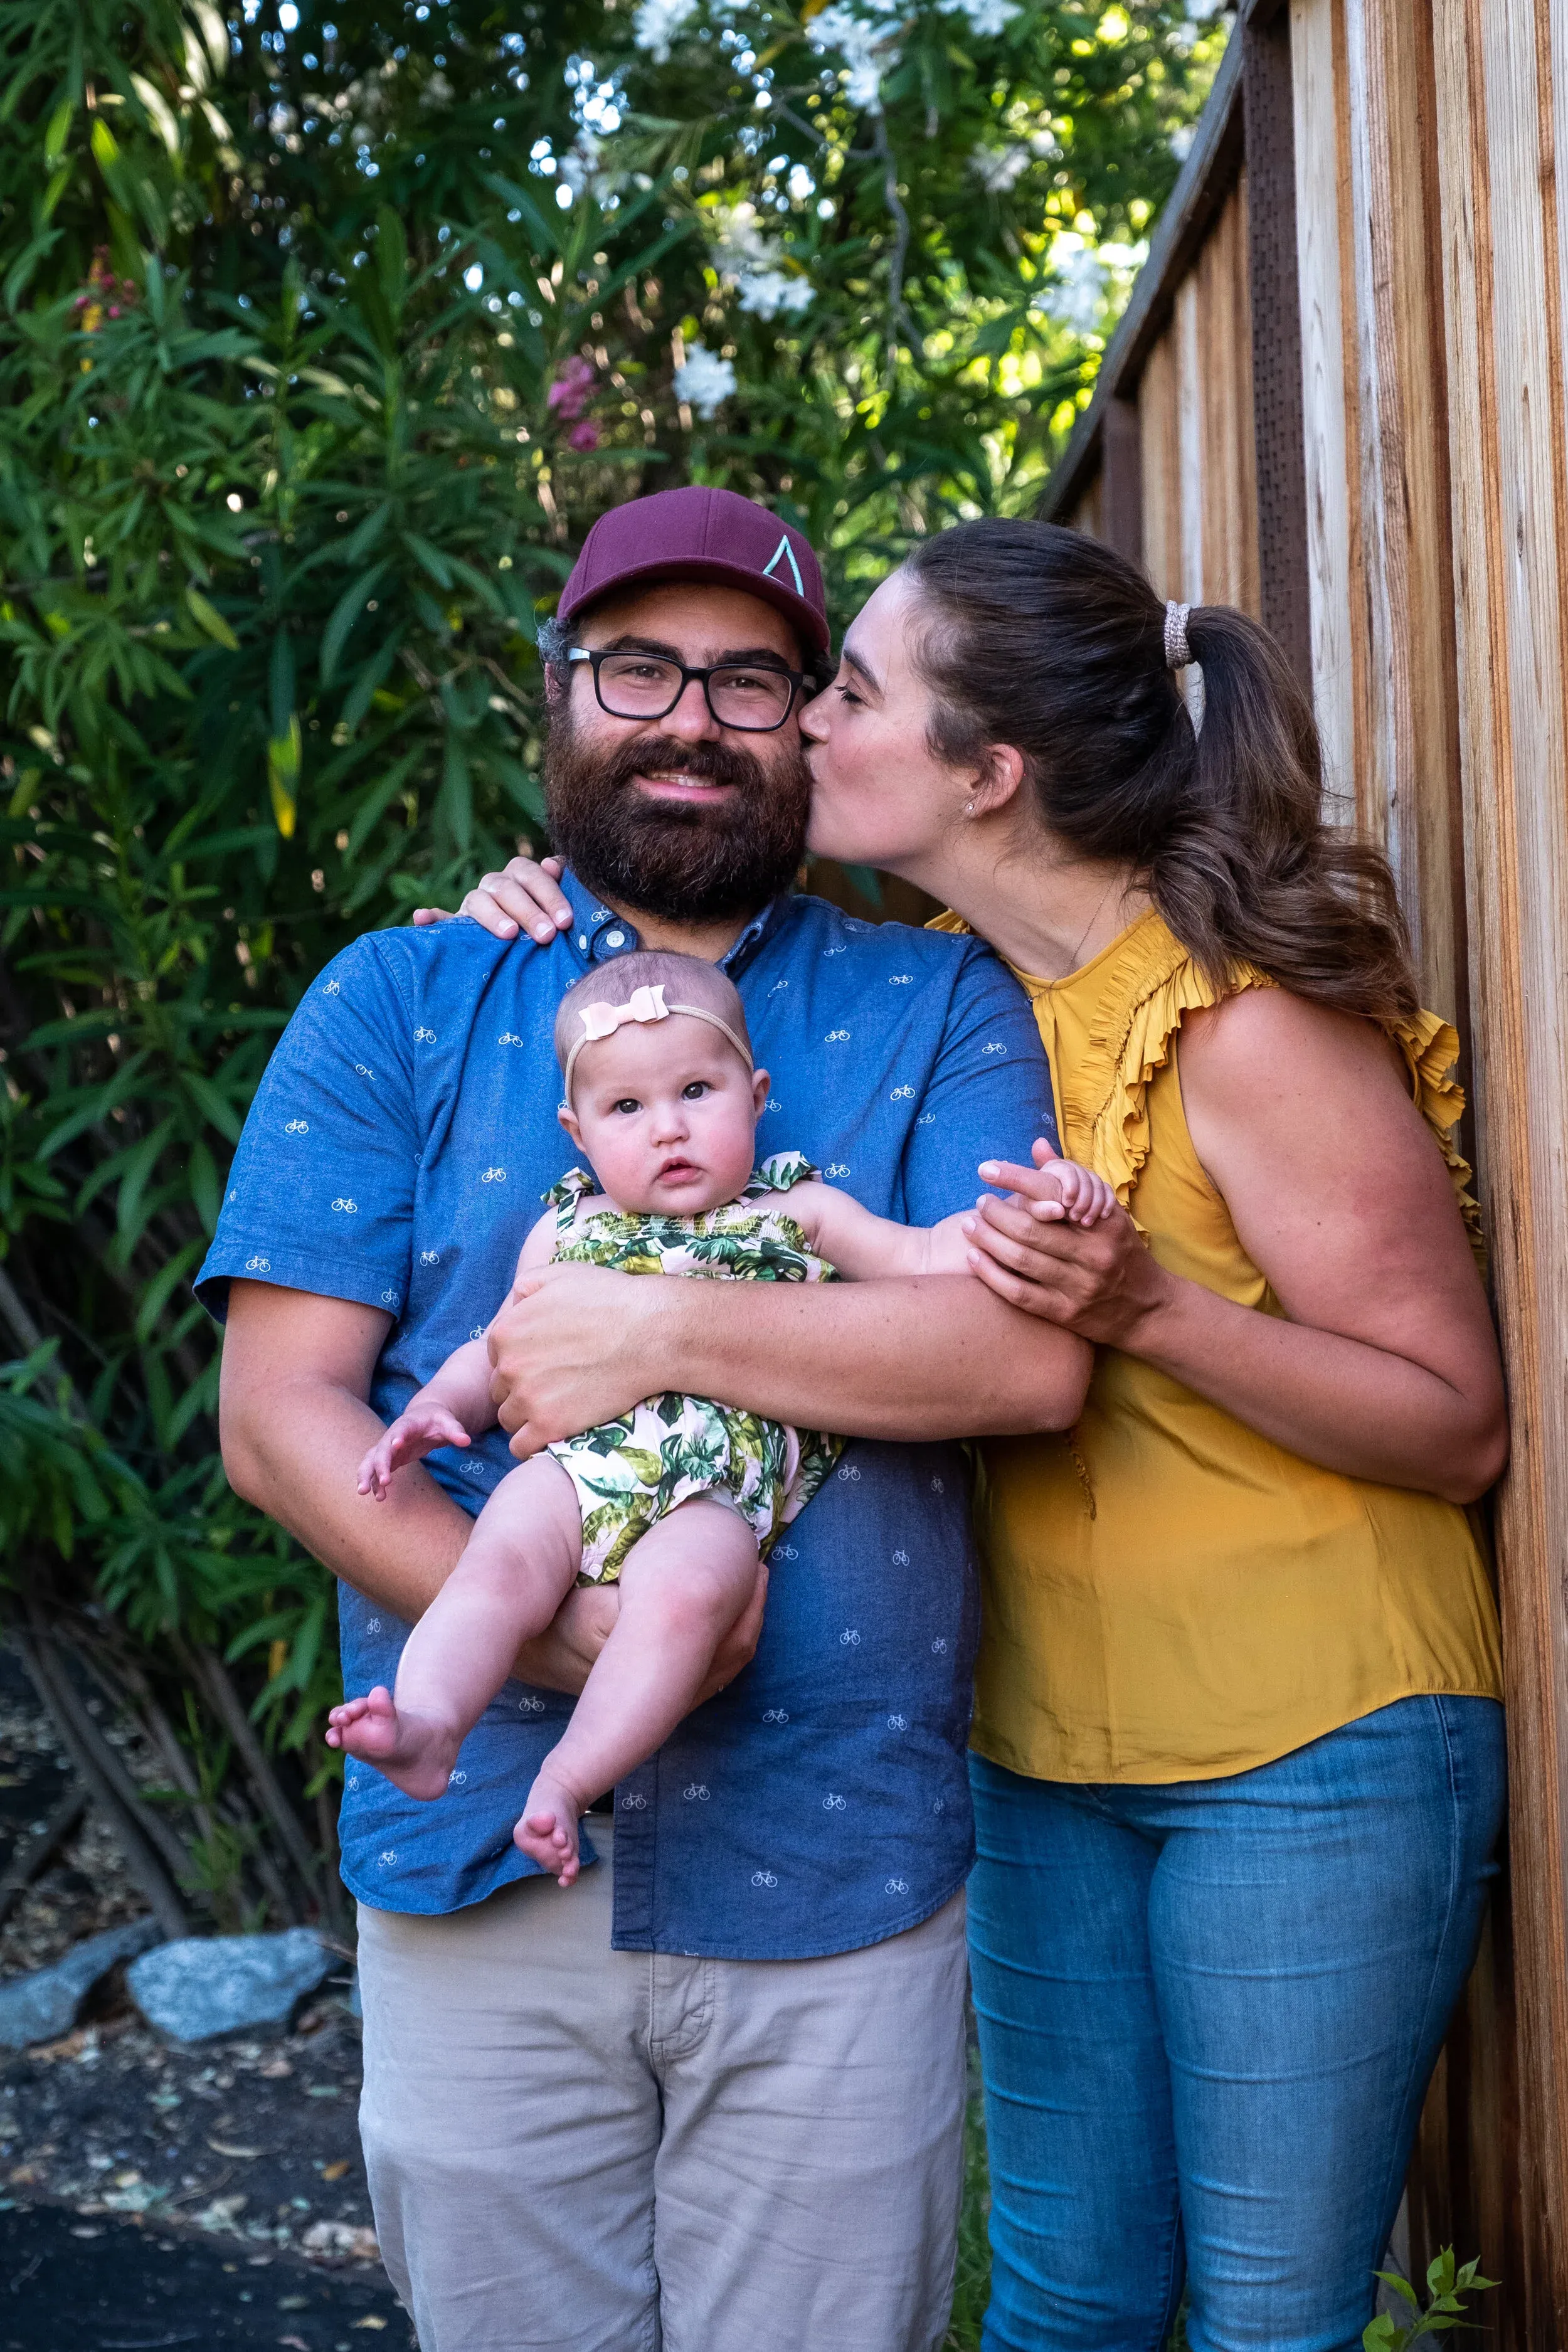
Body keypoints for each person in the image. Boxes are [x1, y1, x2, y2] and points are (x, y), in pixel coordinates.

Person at [457, 517, 1508, 2352]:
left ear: (985, 768)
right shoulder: (945, 1006)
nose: (805, 726)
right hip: (1036, 1746)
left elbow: (1455, 1421)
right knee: (1056, 2304)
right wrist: (520, 914)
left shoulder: (1239, 1022)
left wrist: (1151, 1313)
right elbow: (670, 1039)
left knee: (1269, 2319)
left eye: (847, 692)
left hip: (1310, 1736)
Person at [203, 485, 1094, 2352]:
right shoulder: (406, 994)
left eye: (750, 680)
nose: (687, 714)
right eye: (636, 666)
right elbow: (282, 1415)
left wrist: (653, 1324)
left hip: (836, 1863)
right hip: (474, 1891)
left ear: (812, 725)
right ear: (559, 693)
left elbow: (1014, 1360)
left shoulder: (930, 997)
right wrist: (565, 1625)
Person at [329, 946, 1115, 1885]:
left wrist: (1052, 1209)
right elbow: (497, 1346)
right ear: (577, 1134)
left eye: (697, 1090)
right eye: (628, 1108)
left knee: (691, 1596)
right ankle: (426, 1724)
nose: (668, 1129)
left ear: (756, 1091)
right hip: (578, 1469)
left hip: (715, 1490)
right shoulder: (565, 1227)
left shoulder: (800, 1211)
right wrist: (429, 1412)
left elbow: (931, 1255)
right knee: (495, 1564)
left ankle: (568, 1780)